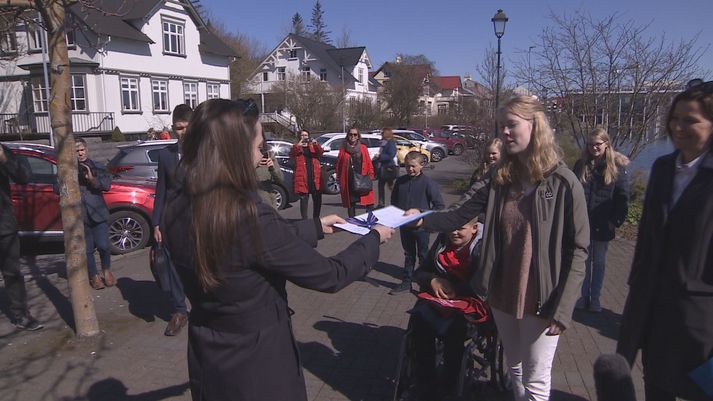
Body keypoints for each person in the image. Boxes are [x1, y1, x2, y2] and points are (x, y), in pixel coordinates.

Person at [161, 98, 394, 401]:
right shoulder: (247, 214)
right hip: (259, 367)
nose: (262, 155)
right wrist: (373, 239)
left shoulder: (180, 205)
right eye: (259, 147)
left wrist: (314, 227)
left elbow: (241, 247)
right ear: (235, 151)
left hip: (209, 357)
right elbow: (329, 275)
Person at [407, 96, 589, 401]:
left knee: (536, 379)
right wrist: (422, 220)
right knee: (515, 369)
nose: (504, 132)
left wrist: (565, 305)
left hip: (543, 298)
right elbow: (458, 214)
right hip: (503, 293)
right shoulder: (499, 177)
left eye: (512, 124)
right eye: (501, 125)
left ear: (535, 126)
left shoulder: (563, 182)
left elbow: (580, 248)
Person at [617, 81, 713, 401]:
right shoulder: (662, 168)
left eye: (690, 120)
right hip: (654, 315)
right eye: (674, 119)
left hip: (701, 326)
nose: (678, 127)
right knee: (656, 390)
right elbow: (646, 243)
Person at [408, 217, 484, 400]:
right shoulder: (443, 240)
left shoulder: (482, 248)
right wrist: (432, 280)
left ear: (474, 228)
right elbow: (421, 272)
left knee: (454, 332)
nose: (454, 232)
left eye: (460, 229)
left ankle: (449, 386)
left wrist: (457, 290)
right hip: (439, 301)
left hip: (468, 303)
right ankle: (425, 384)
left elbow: (484, 283)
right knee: (419, 324)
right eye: (450, 228)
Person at [573, 128, 630, 313]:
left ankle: (595, 298)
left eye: (598, 144)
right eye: (590, 144)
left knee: (599, 262)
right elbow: (572, 194)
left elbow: (622, 197)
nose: (594, 148)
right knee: (584, 262)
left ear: (606, 144)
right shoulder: (581, 165)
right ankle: (583, 296)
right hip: (583, 222)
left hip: (603, 222)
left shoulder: (615, 167)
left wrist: (615, 220)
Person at [152, 103, 192, 336]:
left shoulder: (205, 153)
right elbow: (161, 190)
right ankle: (179, 310)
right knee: (173, 268)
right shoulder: (165, 156)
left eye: (187, 127)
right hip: (171, 222)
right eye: (178, 128)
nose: (183, 132)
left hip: (199, 222)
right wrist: (156, 222)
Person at [0, 144, 42, 331]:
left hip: (3, 226)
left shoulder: (5, 152)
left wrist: (3, 157)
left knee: (12, 273)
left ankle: (21, 315)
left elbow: (24, 177)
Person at [390, 151, 445, 295]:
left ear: (422, 165)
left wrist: (420, 212)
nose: (410, 169)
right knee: (408, 254)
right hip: (405, 226)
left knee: (423, 255)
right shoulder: (400, 182)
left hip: (421, 228)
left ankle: (425, 284)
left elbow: (439, 206)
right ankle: (406, 282)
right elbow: (394, 203)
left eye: (413, 166)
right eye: (407, 166)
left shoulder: (428, 183)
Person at [75, 138, 114, 290]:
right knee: (87, 250)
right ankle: (94, 276)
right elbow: (57, 188)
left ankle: (107, 270)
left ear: (87, 150)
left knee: (104, 245)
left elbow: (107, 185)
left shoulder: (97, 166)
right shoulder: (68, 169)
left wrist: (92, 179)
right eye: (77, 151)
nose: (80, 153)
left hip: (98, 212)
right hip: (80, 215)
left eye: (82, 150)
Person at [336, 127, 375, 217]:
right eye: (351, 134)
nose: (353, 136)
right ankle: (352, 222)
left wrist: (371, 175)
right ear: (347, 136)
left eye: (355, 134)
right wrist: (338, 178)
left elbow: (369, 162)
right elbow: (339, 164)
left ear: (358, 136)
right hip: (349, 179)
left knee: (369, 202)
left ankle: (369, 220)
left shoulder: (363, 148)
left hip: (363, 177)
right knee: (351, 203)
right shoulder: (343, 149)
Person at [289, 129, 324, 219]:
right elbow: (291, 154)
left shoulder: (312, 147)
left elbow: (320, 153)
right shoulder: (297, 147)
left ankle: (316, 218)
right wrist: (298, 145)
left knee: (317, 199)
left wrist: (315, 144)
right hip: (303, 178)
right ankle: (305, 220)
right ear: (299, 137)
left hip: (314, 177)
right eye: (302, 135)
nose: (304, 137)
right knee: (304, 200)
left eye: (306, 135)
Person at [376, 127, 398, 207]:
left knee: (391, 186)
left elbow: (391, 155)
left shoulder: (391, 143)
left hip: (389, 167)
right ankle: (381, 203)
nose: (381, 134)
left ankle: (397, 200)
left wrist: (380, 156)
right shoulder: (383, 142)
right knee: (380, 186)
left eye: (383, 133)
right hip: (382, 167)